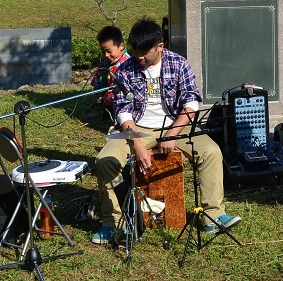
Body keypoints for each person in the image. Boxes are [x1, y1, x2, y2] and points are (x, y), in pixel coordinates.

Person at [90, 19, 239, 244]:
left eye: (144, 52)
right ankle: (112, 222)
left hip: (176, 123)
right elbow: (123, 110)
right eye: (135, 52)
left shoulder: (179, 63)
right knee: (104, 160)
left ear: (160, 46)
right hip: (136, 127)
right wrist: (137, 145)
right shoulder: (124, 69)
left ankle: (212, 216)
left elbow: (191, 103)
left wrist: (171, 133)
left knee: (211, 152)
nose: (138, 57)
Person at [90, 25, 130, 129]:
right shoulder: (106, 62)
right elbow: (97, 76)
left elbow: (117, 91)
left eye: (109, 51)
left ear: (121, 46)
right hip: (105, 99)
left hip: (121, 102)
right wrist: (96, 90)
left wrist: (104, 99)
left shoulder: (126, 65)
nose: (106, 55)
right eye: (103, 51)